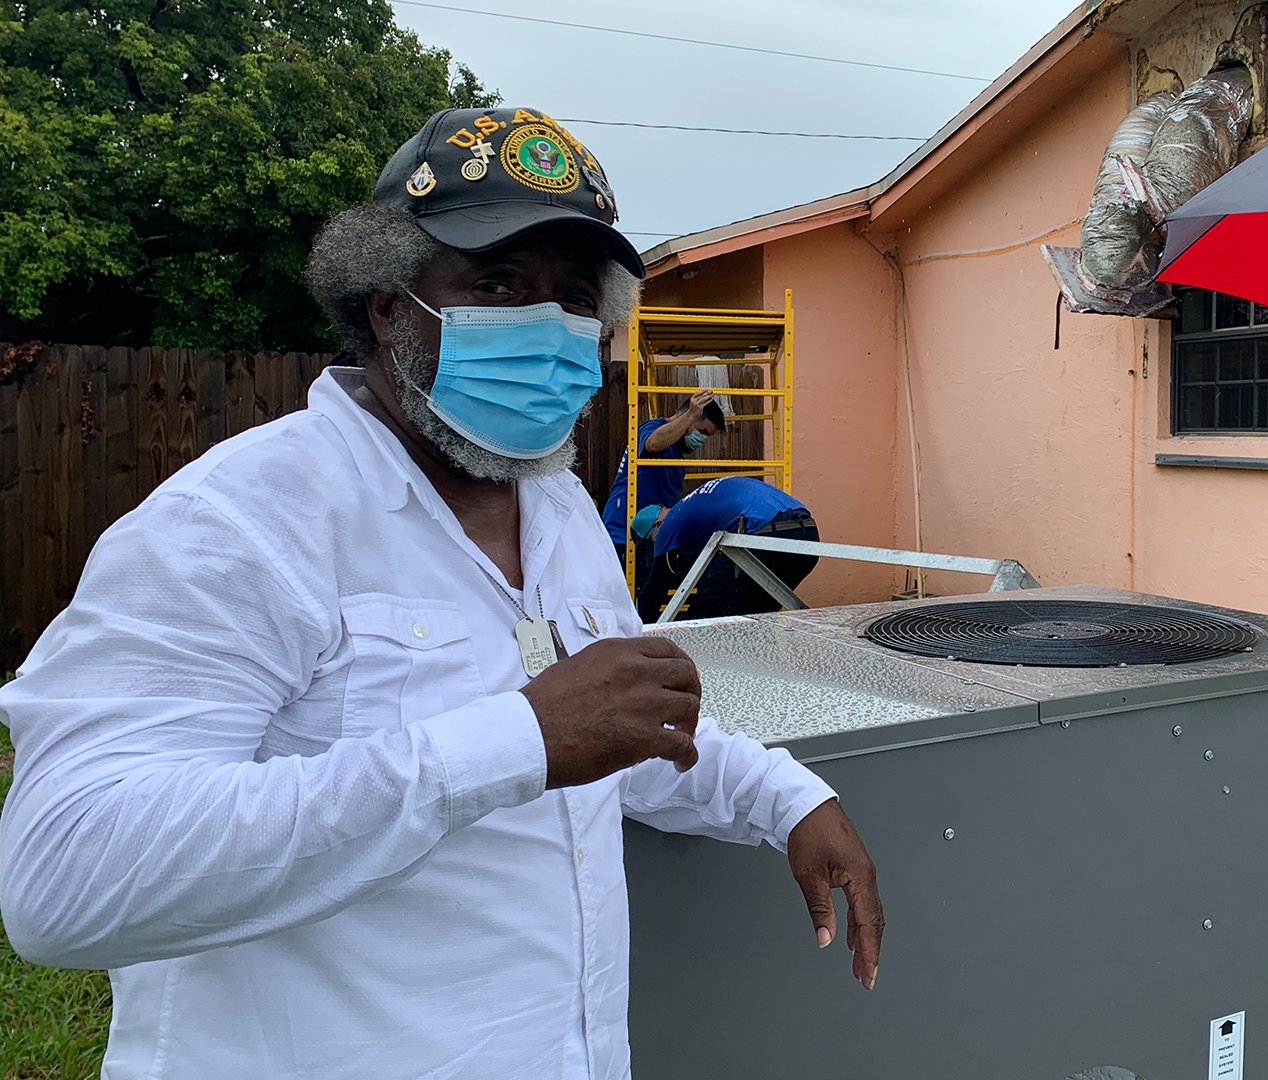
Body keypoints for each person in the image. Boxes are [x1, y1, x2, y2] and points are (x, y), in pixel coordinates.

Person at [0, 107, 882, 1080]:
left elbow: (619, 728)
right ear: (386, 301)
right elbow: (66, 878)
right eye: (497, 282)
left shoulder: (556, 510)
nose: (546, 328)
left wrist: (785, 799)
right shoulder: (240, 521)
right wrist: (509, 742)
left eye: (574, 297)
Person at [634, 476, 820, 620]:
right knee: (756, 615)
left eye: (652, 541)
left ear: (657, 524)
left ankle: (705, 665)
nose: (656, 545)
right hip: (807, 533)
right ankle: (757, 664)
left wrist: (640, 627)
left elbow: (657, 585)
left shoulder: (669, 524)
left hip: (764, 532)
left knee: (705, 613)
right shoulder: (696, 506)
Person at [600, 390, 725, 548]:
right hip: (623, 531)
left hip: (648, 534)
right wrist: (690, 416)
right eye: (702, 432)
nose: (702, 439)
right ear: (689, 416)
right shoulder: (653, 428)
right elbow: (652, 445)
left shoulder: (676, 453)